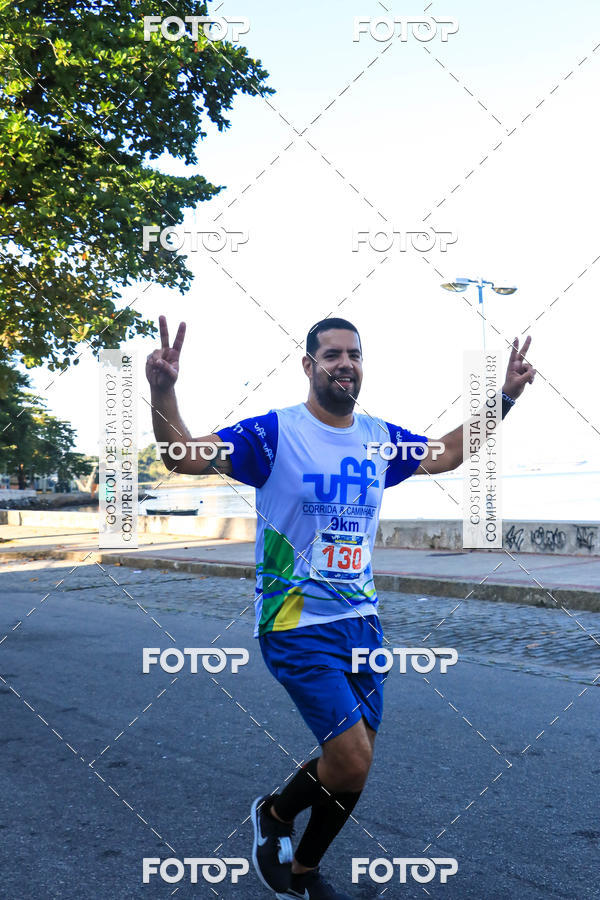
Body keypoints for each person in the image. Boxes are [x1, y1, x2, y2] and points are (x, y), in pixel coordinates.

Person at [147, 315, 536, 899]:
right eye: (331, 355)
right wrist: (163, 391)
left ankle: (300, 864)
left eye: (354, 354)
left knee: (352, 760)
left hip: (362, 621)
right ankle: (276, 817)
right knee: (351, 759)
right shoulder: (273, 434)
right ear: (309, 366)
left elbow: (451, 452)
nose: (345, 363)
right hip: (295, 620)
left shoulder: (380, 437)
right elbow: (185, 457)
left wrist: (504, 396)